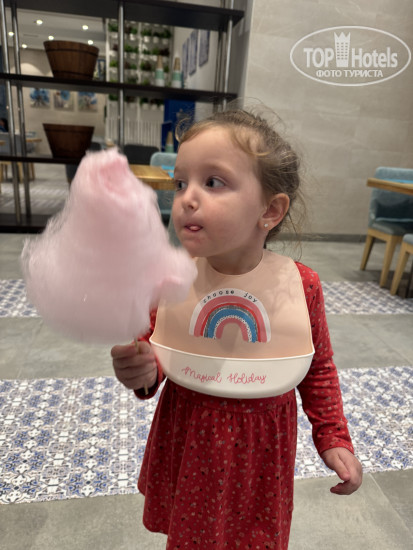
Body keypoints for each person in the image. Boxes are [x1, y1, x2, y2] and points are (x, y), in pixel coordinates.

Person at [111, 108, 362, 549]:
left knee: (254, 537)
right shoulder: (170, 277)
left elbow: (318, 367)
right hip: (190, 435)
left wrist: (333, 436)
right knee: (190, 536)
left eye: (212, 182)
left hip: (261, 451)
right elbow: (158, 350)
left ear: (270, 210)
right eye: (180, 183)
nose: (187, 198)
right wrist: (143, 371)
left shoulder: (301, 286)